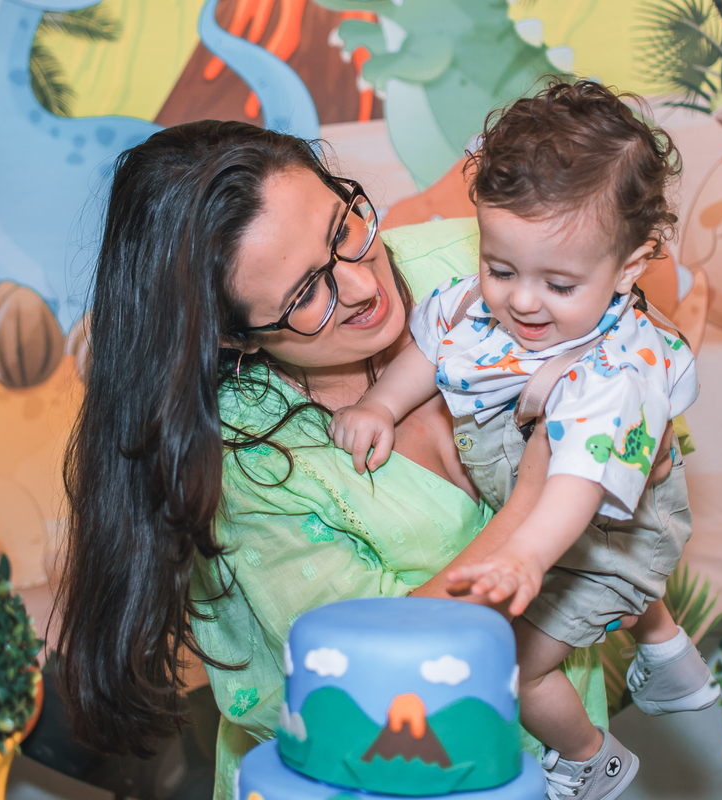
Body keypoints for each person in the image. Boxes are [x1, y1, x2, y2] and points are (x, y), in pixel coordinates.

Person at [53, 119, 672, 800]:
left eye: (342, 227)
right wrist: (532, 500)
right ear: (235, 337)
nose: (359, 285)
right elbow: (377, 679)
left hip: (547, 767)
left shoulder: (466, 266)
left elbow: (626, 333)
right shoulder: (239, 465)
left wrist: (645, 426)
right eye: (303, 296)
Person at [330, 81, 717, 799]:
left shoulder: (614, 372)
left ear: (630, 268)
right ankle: (667, 654)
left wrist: (527, 555)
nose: (523, 301)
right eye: (501, 268)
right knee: (617, 602)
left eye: (559, 284)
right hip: (560, 519)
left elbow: (577, 481)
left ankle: (592, 760)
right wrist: (382, 403)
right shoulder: (487, 303)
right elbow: (441, 343)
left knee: (515, 663)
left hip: (600, 532)